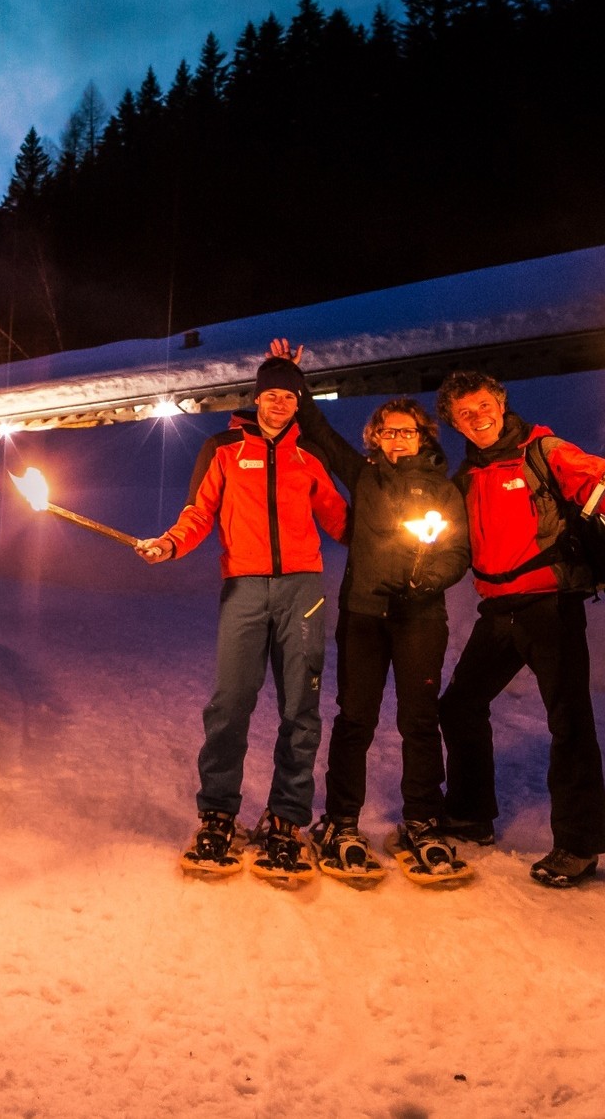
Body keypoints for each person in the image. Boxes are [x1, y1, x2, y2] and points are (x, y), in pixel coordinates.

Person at [434, 369, 605, 888]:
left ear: (501, 402)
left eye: (483, 405)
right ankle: (470, 815)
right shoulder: (467, 476)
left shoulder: (544, 451)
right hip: (498, 610)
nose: (477, 417)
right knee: (459, 706)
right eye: (464, 413)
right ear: (454, 423)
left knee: (569, 721)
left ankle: (578, 846)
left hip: (549, 607)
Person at [267, 339, 472, 885]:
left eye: (407, 431)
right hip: (363, 615)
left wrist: (429, 578)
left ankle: (423, 820)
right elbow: (316, 428)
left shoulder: (445, 491)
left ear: (424, 436)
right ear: (375, 438)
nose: (397, 438)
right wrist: (289, 373)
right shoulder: (363, 475)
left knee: (419, 721)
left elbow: (458, 552)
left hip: (420, 620)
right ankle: (340, 821)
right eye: (388, 431)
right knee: (355, 719)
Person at [137, 356, 349, 882]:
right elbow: (199, 512)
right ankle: (218, 813)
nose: (279, 403)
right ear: (257, 397)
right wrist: (170, 544)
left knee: (301, 706)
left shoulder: (309, 453)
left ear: (298, 403)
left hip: (303, 589)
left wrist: (393, 537)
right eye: (271, 394)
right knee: (230, 703)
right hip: (244, 587)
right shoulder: (224, 448)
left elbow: (340, 519)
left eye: (289, 396)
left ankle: (287, 818)